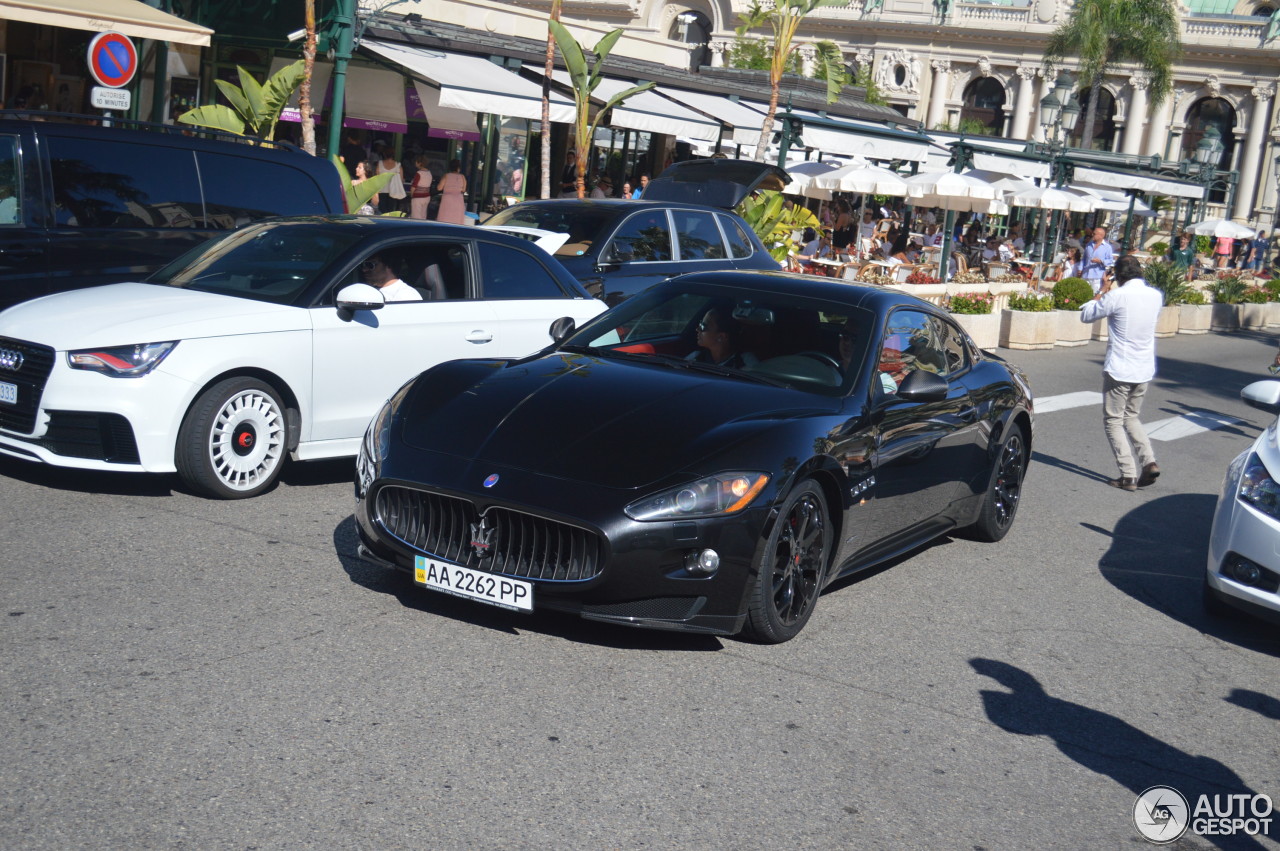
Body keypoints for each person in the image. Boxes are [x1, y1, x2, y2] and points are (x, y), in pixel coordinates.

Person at [1079, 254, 1162, 491]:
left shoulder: (1117, 295)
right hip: (1144, 367)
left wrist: (1102, 290)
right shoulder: (1155, 296)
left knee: (1113, 421)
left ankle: (1127, 475)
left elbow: (1087, 315)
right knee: (1131, 417)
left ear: (1118, 275)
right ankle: (1149, 461)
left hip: (1120, 367)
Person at [688, 307, 757, 369]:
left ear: (721, 336)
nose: (697, 329)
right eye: (700, 324)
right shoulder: (695, 357)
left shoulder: (746, 362)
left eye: (703, 326)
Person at [1080, 227, 1114, 295]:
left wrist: (1100, 261)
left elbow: (1110, 261)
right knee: (1082, 294)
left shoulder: (1107, 247)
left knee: (1094, 295)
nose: (1092, 235)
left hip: (1097, 276)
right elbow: (1084, 258)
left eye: (1094, 234)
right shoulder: (1089, 245)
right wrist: (1080, 269)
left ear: (1101, 235)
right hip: (1085, 274)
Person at [435, 159, 467, 225]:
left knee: (445, 218)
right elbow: (463, 190)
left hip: (447, 199)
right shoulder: (462, 177)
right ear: (458, 168)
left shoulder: (446, 176)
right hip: (458, 200)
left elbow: (439, 188)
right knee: (457, 220)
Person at [376, 149, 406, 214]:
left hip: (382, 190)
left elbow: (377, 177)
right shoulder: (398, 165)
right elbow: (401, 180)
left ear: (384, 154)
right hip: (393, 191)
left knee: (381, 211)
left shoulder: (380, 163)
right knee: (391, 210)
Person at [409, 155, 433, 220]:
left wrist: (412, 195)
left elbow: (414, 186)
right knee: (423, 216)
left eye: (416, 162)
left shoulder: (419, 173)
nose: (415, 163)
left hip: (418, 197)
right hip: (427, 197)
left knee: (415, 217)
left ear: (419, 163)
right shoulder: (429, 173)